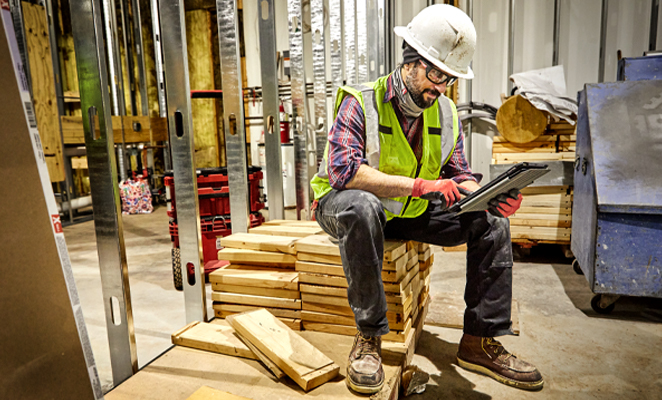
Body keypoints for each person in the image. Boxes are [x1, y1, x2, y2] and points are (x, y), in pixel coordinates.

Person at [310, 4, 543, 394]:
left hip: (407, 211)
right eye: (436, 74)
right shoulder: (361, 101)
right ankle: (369, 335)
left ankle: (478, 342)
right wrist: (421, 185)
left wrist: (491, 198)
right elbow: (344, 173)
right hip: (344, 207)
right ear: (410, 61)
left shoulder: (446, 112)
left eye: (449, 79)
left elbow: (459, 175)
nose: (440, 88)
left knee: (492, 222)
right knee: (362, 205)